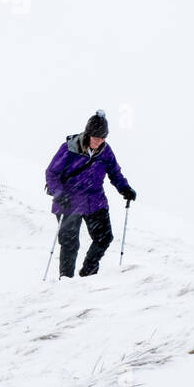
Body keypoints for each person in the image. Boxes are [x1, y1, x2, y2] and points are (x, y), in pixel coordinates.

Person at [45, 111, 136, 277]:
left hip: (95, 201)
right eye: (95, 137)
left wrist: (125, 188)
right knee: (69, 243)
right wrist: (59, 194)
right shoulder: (69, 148)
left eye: (102, 138)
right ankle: (66, 281)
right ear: (88, 134)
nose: (99, 141)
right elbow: (51, 173)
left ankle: (88, 273)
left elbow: (114, 172)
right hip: (68, 201)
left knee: (104, 237)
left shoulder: (105, 151)